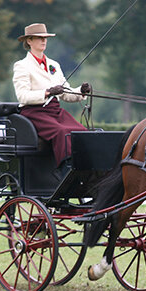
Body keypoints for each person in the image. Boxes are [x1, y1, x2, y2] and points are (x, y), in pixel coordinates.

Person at [13, 23, 91, 177]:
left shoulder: (53, 65)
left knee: (81, 132)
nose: (44, 41)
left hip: (54, 111)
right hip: (34, 112)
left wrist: (80, 91)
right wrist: (47, 92)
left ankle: (86, 170)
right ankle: (65, 171)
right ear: (29, 41)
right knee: (61, 131)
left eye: (45, 38)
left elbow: (66, 94)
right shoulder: (22, 66)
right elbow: (22, 96)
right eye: (40, 38)